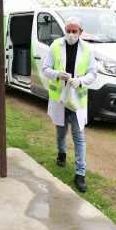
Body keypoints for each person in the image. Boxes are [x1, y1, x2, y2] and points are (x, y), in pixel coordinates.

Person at [42, 16, 97, 192]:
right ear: (64, 30)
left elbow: (93, 73)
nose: (71, 34)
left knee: (79, 136)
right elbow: (45, 69)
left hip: (77, 100)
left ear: (80, 32)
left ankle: (80, 174)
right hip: (60, 98)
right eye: (68, 31)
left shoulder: (88, 49)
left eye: (74, 31)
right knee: (60, 130)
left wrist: (80, 81)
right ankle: (61, 153)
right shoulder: (55, 46)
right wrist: (58, 74)